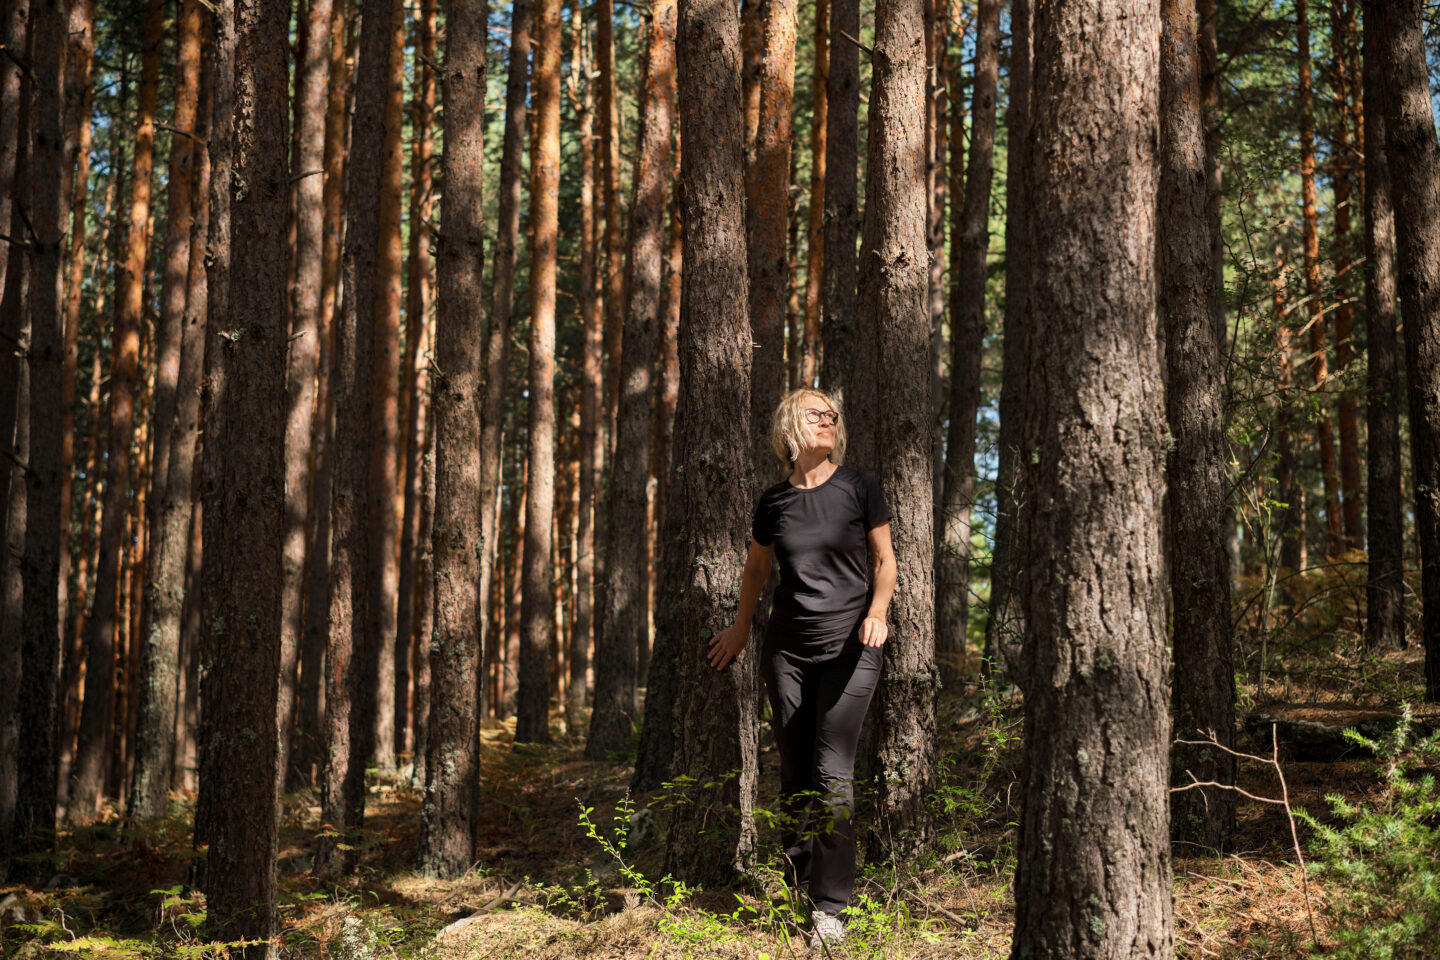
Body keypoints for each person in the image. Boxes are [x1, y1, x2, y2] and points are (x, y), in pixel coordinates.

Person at [706, 387, 896, 947]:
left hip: (852, 647)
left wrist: (879, 612)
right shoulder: (773, 502)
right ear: (790, 425)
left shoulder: (860, 487)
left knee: (832, 771)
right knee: (792, 771)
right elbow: (756, 571)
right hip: (787, 651)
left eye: (833, 415)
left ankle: (832, 908)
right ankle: (799, 889)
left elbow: (885, 561)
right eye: (818, 414)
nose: (829, 421)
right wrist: (742, 629)